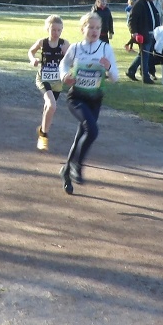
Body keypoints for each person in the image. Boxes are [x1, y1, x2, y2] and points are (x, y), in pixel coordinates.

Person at [58, 12, 120, 194]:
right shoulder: (76, 48)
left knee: (81, 135)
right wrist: (64, 76)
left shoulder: (105, 48)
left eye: (98, 28)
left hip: (95, 100)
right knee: (92, 130)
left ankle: (66, 171)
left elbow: (115, 77)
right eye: (90, 27)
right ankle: (77, 165)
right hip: (76, 98)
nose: (94, 31)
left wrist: (108, 67)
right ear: (82, 29)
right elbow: (63, 65)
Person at [28, 15, 71, 151]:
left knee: (49, 108)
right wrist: (33, 59)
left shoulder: (65, 44)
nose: (56, 33)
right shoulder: (42, 42)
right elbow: (31, 51)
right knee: (52, 105)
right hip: (43, 79)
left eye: (59, 30)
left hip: (57, 82)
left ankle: (42, 129)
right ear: (48, 29)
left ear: (62, 30)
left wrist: (67, 56)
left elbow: (72, 60)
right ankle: (44, 136)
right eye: (53, 30)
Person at [127, 0, 161, 84]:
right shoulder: (139, 4)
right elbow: (132, 19)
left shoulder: (150, 3)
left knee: (144, 54)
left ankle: (132, 70)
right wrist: (134, 32)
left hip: (152, 34)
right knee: (145, 55)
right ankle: (145, 76)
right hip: (144, 34)